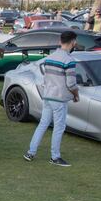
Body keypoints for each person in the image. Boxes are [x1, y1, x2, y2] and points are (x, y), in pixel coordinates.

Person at [23, 30, 79, 167]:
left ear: (60, 41)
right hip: (59, 98)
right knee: (59, 127)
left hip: (47, 95)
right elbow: (71, 83)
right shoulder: (69, 60)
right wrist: (76, 95)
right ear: (73, 42)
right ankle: (55, 157)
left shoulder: (50, 58)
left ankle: (31, 152)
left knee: (43, 124)